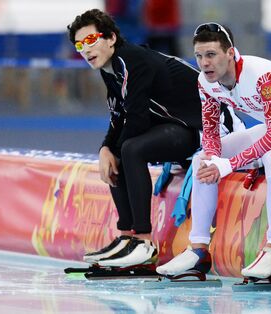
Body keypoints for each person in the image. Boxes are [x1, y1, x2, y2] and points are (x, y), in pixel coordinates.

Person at [156, 23, 271, 281]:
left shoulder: (261, 75)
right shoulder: (204, 83)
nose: (204, 63)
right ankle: (198, 250)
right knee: (201, 159)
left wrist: (228, 165)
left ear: (230, 53)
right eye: (198, 56)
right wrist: (212, 157)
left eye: (211, 55)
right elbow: (210, 133)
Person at [68, 9, 210, 268]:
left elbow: (136, 118)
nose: (85, 50)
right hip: (171, 125)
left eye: (90, 41)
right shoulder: (109, 69)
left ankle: (143, 241)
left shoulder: (132, 60)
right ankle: (127, 237)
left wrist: (114, 150)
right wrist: (105, 149)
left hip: (200, 131)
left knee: (130, 149)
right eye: (79, 45)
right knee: (121, 150)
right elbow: (117, 115)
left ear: (110, 38)